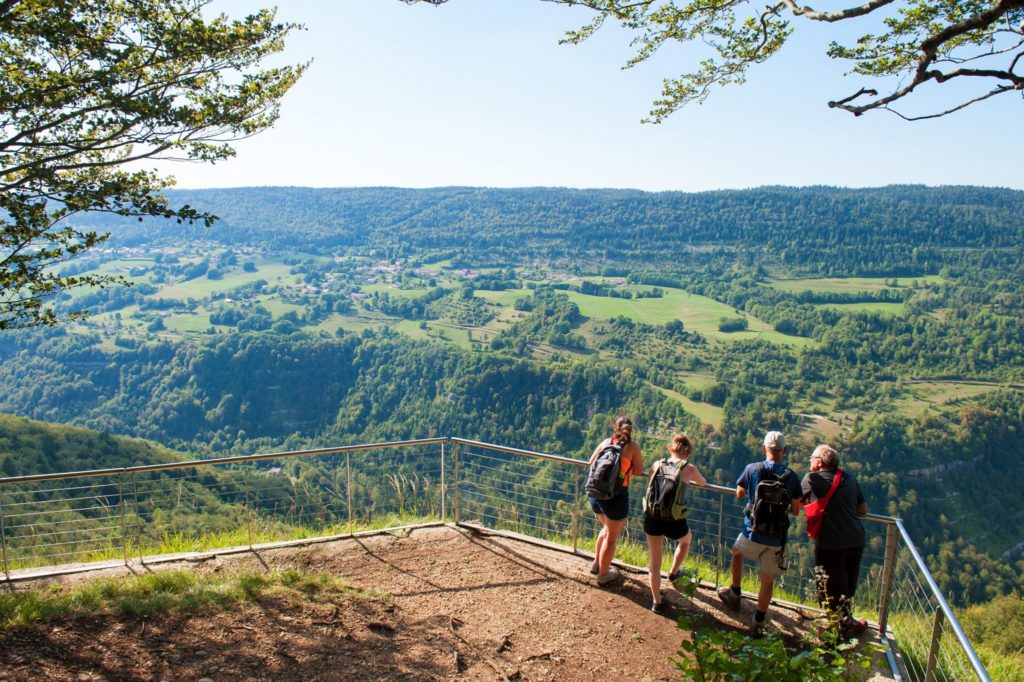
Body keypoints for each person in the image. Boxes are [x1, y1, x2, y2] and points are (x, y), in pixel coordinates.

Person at [717, 430, 802, 637]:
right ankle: (759, 620)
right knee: (767, 579)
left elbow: (739, 493)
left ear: (764, 448)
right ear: (784, 450)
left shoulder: (753, 469)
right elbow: (796, 510)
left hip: (752, 531)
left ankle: (735, 593)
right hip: (776, 536)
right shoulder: (791, 477)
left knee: (737, 552)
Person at [802, 444, 869, 640]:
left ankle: (836, 629)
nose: (810, 462)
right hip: (855, 539)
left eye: (811, 459)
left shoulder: (811, 479)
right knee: (847, 583)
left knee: (828, 584)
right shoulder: (849, 479)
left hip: (831, 543)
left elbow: (796, 502)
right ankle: (846, 621)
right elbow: (863, 509)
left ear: (819, 462)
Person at [644, 431, 707, 613]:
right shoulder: (689, 468)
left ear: (671, 448)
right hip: (674, 519)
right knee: (686, 540)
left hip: (653, 516)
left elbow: (649, 474)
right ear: (687, 452)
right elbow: (703, 483)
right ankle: (673, 572)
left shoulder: (658, 464)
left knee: (655, 563)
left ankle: (657, 602)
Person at [587, 416, 644, 586]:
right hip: (615, 497)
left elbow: (591, 462)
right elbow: (640, 471)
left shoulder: (606, 442)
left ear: (615, 429)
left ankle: (597, 564)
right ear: (631, 431)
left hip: (595, 494)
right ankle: (604, 575)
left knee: (606, 529)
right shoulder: (632, 447)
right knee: (611, 538)